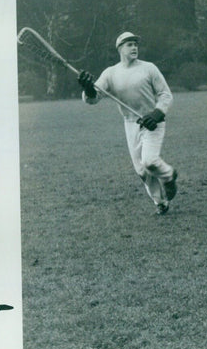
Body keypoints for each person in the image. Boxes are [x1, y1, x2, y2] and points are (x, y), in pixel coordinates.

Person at [77, 32, 179, 215]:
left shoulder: (149, 68)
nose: (134, 48)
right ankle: (160, 202)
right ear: (120, 48)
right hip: (131, 123)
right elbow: (93, 98)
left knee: (149, 161)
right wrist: (88, 88)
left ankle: (169, 175)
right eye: (129, 44)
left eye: (135, 44)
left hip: (153, 122)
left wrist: (157, 113)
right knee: (141, 170)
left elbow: (165, 94)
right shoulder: (111, 73)